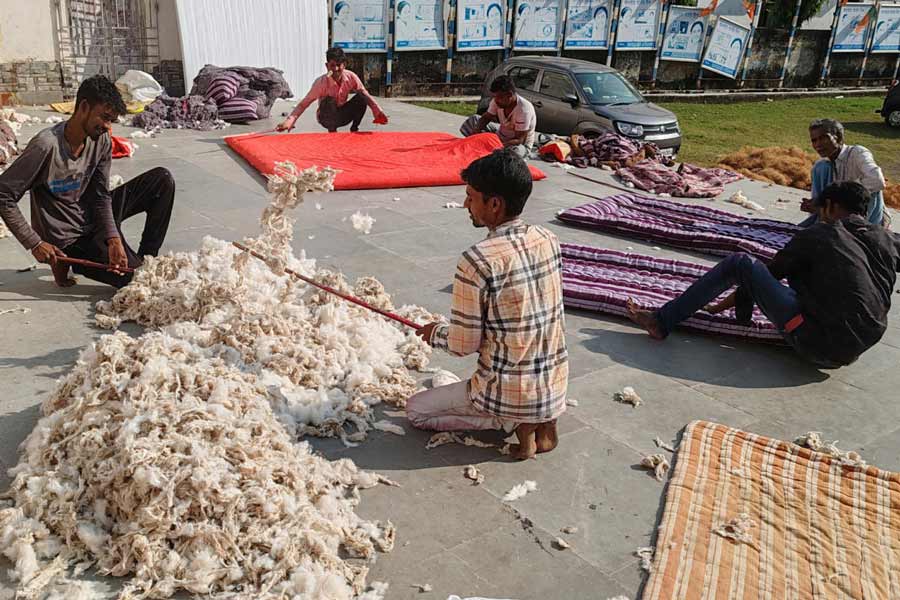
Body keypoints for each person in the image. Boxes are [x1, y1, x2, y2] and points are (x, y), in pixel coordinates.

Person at [626, 181, 900, 369]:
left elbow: (765, 274)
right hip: (857, 350)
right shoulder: (887, 238)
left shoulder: (822, 234)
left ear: (829, 207)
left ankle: (662, 322)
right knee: (814, 284)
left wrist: (727, 307)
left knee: (740, 263)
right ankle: (742, 318)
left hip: (818, 344)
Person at [408, 149, 569, 459]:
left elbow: (464, 344)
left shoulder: (477, 260)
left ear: (494, 204)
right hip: (554, 385)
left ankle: (509, 420)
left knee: (416, 410)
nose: (466, 204)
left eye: (471, 197)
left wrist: (435, 333)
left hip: (508, 390)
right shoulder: (548, 238)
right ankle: (542, 419)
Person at [0, 74, 175, 288]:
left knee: (161, 180)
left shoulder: (101, 140)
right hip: (70, 237)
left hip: (94, 216)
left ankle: (147, 259)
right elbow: (3, 193)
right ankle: (75, 261)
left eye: (112, 120)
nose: (108, 126)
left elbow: (101, 194)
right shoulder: (46, 146)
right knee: (135, 281)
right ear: (84, 107)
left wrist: (112, 237)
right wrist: (34, 243)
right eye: (104, 117)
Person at [277, 46, 388, 134]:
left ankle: (354, 129)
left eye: (339, 65)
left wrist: (377, 112)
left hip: (342, 115)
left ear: (344, 65)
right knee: (329, 101)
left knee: (361, 97)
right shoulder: (321, 83)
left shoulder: (351, 77)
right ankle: (332, 132)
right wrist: (290, 121)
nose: (335, 69)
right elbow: (304, 104)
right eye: (332, 65)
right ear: (327, 66)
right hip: (326, 118)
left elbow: (365, 94)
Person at [802, 118, 887, 227]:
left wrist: (841, 194)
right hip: (835, 222)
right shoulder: (820, 168)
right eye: (814, 140)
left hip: (868, 221)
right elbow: (822, 204)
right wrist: (814, 205)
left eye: (824, 138)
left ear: (838, 137)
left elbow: (877, 181)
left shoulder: (858, 153)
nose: (818, 144)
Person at [460, 75, 537, 158]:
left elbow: (520, 140)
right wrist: (477, 130)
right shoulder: (496, 101)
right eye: (494, 97)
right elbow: (486, 117)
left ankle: (496, 153)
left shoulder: (524, 109)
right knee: (473, 120)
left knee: (515, 153)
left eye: (499, 97)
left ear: (509, 95)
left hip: (517, 144)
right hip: (499, 136)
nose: (496, 100)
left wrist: (498, 146)